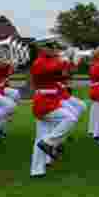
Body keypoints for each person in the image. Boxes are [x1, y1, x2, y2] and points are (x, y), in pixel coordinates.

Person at [29, 37, 78, 177]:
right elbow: (54, 68)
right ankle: (49, 142)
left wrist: (72, 61)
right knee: (70, 118)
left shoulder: (51, 60)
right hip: (44, 102)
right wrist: (66, 57)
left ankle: (37, 170)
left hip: (50, 100)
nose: (54, 49)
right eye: (51, 47)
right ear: (42, 48)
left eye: (55, 47)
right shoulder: (39, 62)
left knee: (40, 137)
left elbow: (64, 75)